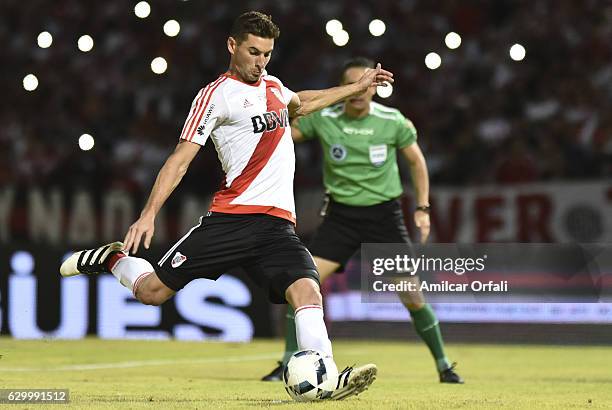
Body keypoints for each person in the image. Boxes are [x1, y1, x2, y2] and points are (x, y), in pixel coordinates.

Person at [60, 13, 394, 400]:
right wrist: (149, 213)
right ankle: (112, 260)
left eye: (267, 54)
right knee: (152, 293)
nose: (261, 61)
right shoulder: (215, 95)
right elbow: (180, 159)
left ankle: (327, 376)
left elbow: (303, 103)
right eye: (254, 52)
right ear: (232, 46)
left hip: (276, 227)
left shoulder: (274, 86)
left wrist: (356, 88)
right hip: (230, 221)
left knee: (307, 291)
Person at [261, 57, 463, 384]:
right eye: (352, 84)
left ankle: (443, 365)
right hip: (341, 217)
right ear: (344, 87)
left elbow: (417, 163)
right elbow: (283, 132)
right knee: (300, 284)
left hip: (384, 217)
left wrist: (422, 208)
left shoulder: (393, 121)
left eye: (365, 83)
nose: (358, 92)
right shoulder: (324, 118)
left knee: (412, 296)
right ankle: (286, 362)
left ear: (375, 86)